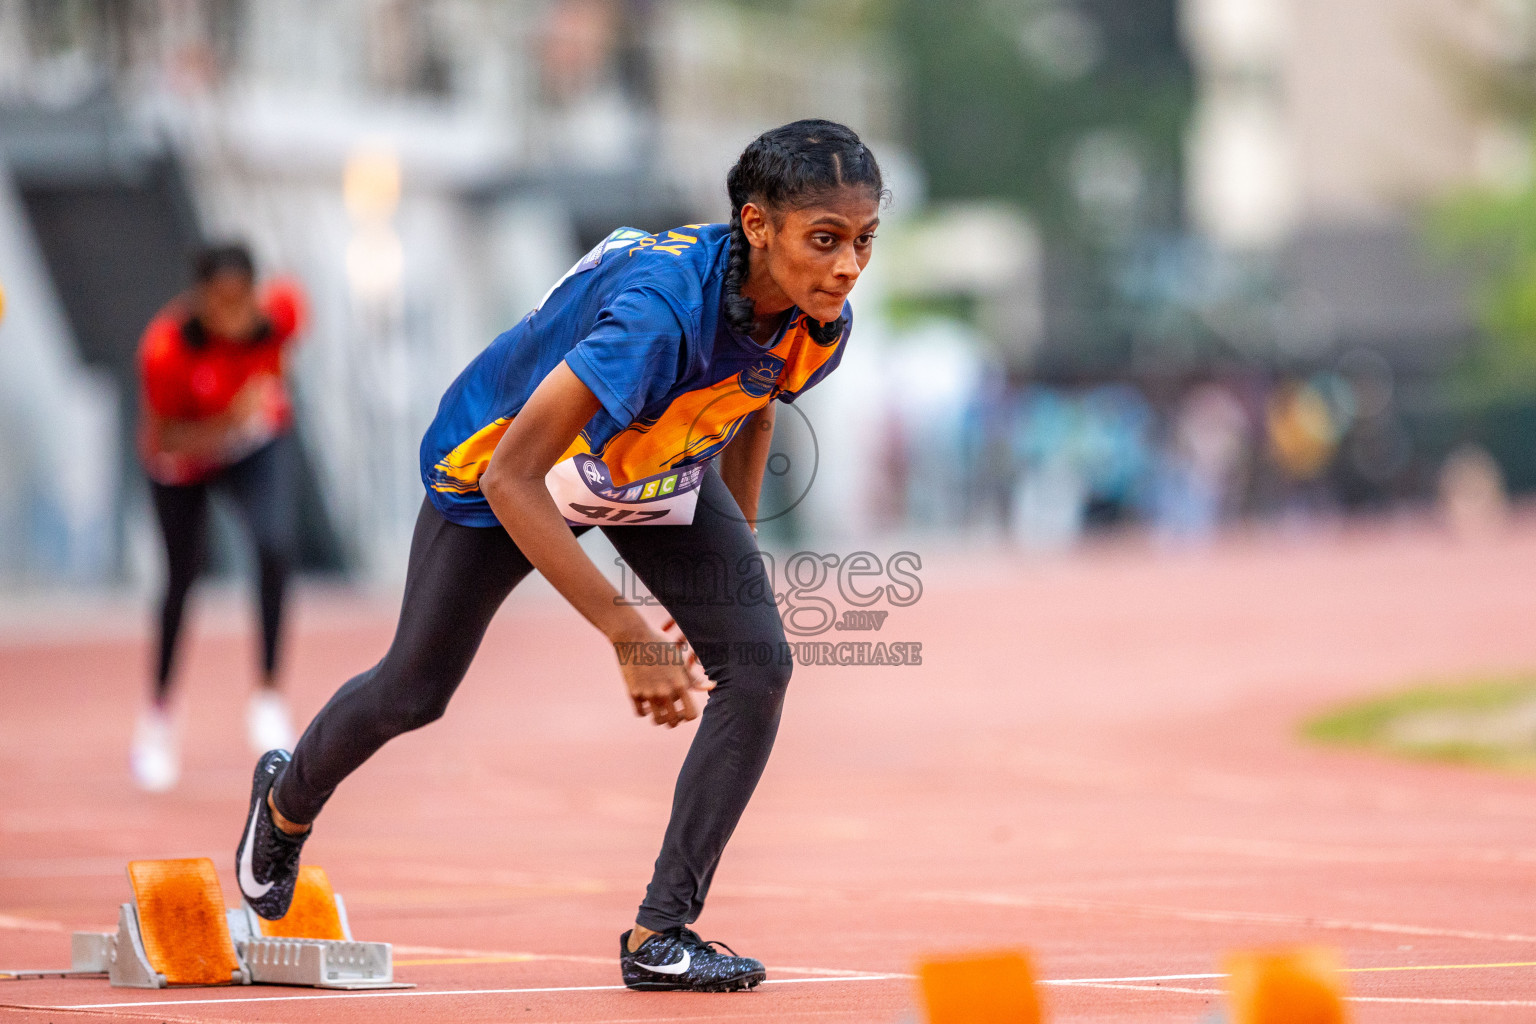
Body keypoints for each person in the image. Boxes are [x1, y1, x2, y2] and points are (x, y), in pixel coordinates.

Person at [234, 120, 885, 992]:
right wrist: (627, 631)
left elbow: (755, 406)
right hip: (510, 463)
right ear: (757, 225)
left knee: (759, 664)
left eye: (865, 241)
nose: (849, 266)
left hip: (653, 461)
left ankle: (663, 932)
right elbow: (514, 478)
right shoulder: (656, 315)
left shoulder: (816, 319)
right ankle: (285, 801)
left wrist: (735, 569)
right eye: (827, 240)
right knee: (414, 690)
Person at [134, 244, 307, 792]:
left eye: (243, 301)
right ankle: (158, 718)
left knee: (276, 545)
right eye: (221, 303)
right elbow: (163, 436)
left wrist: (265, 391)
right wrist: (228, 418)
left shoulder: (281, 313)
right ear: (198, 300)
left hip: (254, 445)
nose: (234, 316)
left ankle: (269, 695)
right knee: (182, 580)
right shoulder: (165, 349)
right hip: (184, 458)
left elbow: (289, 342)